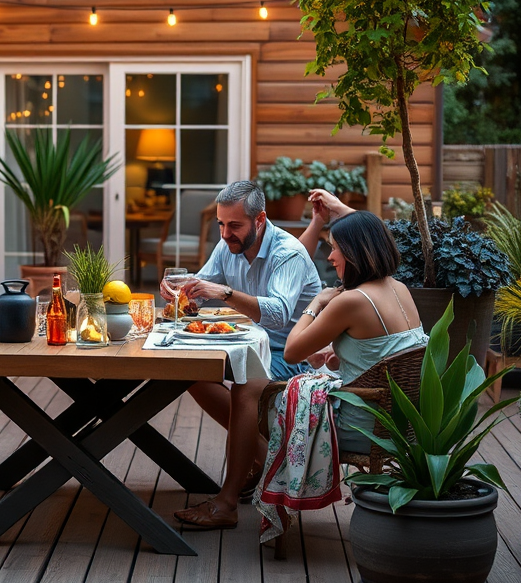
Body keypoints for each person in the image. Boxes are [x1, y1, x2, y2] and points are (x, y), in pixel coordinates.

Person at [169, 180, 322, 529]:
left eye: (234, 225)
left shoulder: (288, 253)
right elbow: (202, 288)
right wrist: (181, 290)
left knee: (246, 386)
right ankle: (264, 457)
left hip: (293, 352)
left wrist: (221, 292)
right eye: (221, 224)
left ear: (260, 220)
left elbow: (279, 313)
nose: (225, 234)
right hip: (251, 344)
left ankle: (226, 502)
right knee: (186, 371)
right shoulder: (229, 246)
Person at [282, 209, 428, 451]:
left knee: (258, 394)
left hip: (362, 429)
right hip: (404, 425)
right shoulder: (400, 288)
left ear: (355, 252)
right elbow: (389, 353)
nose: (330, 257)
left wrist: (316, 302)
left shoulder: (352, 301)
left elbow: (291, 352)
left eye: (335, 248)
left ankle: (272, 483)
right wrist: (343, 357)